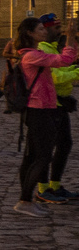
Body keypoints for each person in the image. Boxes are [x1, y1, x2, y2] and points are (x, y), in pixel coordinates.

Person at [13, 15, 78, 216]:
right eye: (40, 28)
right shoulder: (32, 55)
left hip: (43, 108)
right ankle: (25, 200)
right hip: (39, 110)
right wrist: (72, 37)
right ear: (30, 33)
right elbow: (65, 59)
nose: (44, 31)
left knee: (33, 156)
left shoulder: (33, 53)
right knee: (41, 157)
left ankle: (26, 199)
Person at [31, 13, 77, 206]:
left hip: (58, 104)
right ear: (47, 29)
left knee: (64, 144)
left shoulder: (50, 48)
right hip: (48, 105)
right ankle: (42, 189)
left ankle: (55, 185)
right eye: (57, 29)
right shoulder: (41, 49)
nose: (59, 32)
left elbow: (62, 68)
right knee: (46, 148)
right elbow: (56, 77)